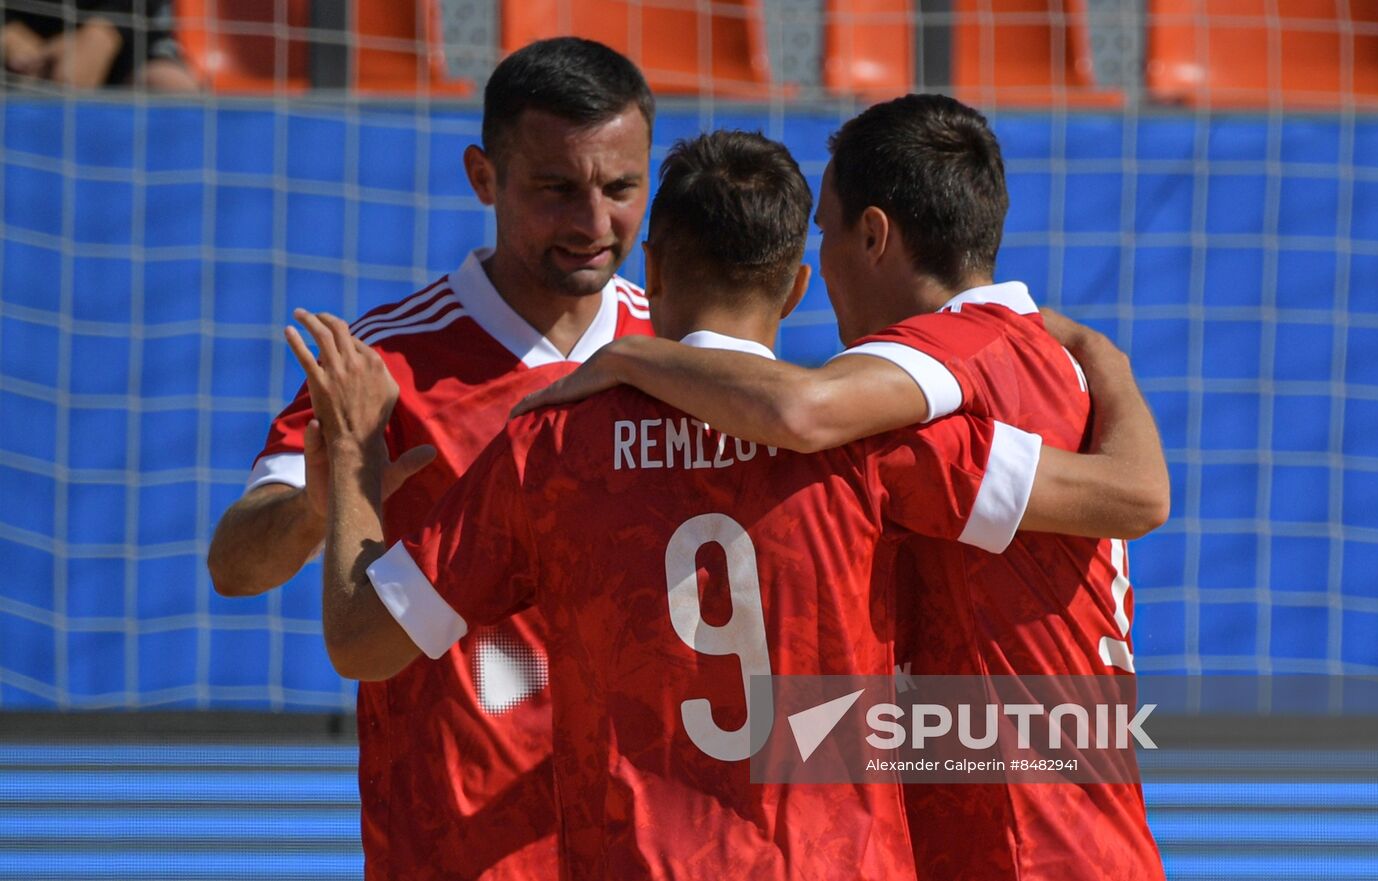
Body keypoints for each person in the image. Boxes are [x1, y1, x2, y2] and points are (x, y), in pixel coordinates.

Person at [291, 131, 1168, 879]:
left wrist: (356, 469)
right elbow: (1123, 497)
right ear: (796, 286)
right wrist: (1102, 368)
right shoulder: (871, 443)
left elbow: (362, 641)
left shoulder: (549, 446)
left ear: (652, 268)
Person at [206, 37, 654, 881]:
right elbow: (234, 564)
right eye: (557, 189)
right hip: (455, 849)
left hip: (652, 843)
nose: (595, 224)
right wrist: (322, 503)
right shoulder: (383, 364)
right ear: (484, 177)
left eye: (621, 188)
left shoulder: (682, 349)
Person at [2, 0, 198, 91]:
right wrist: (8, 34)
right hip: (14, 33)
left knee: (173, 87)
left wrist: (104, 31)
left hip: (122, 30)